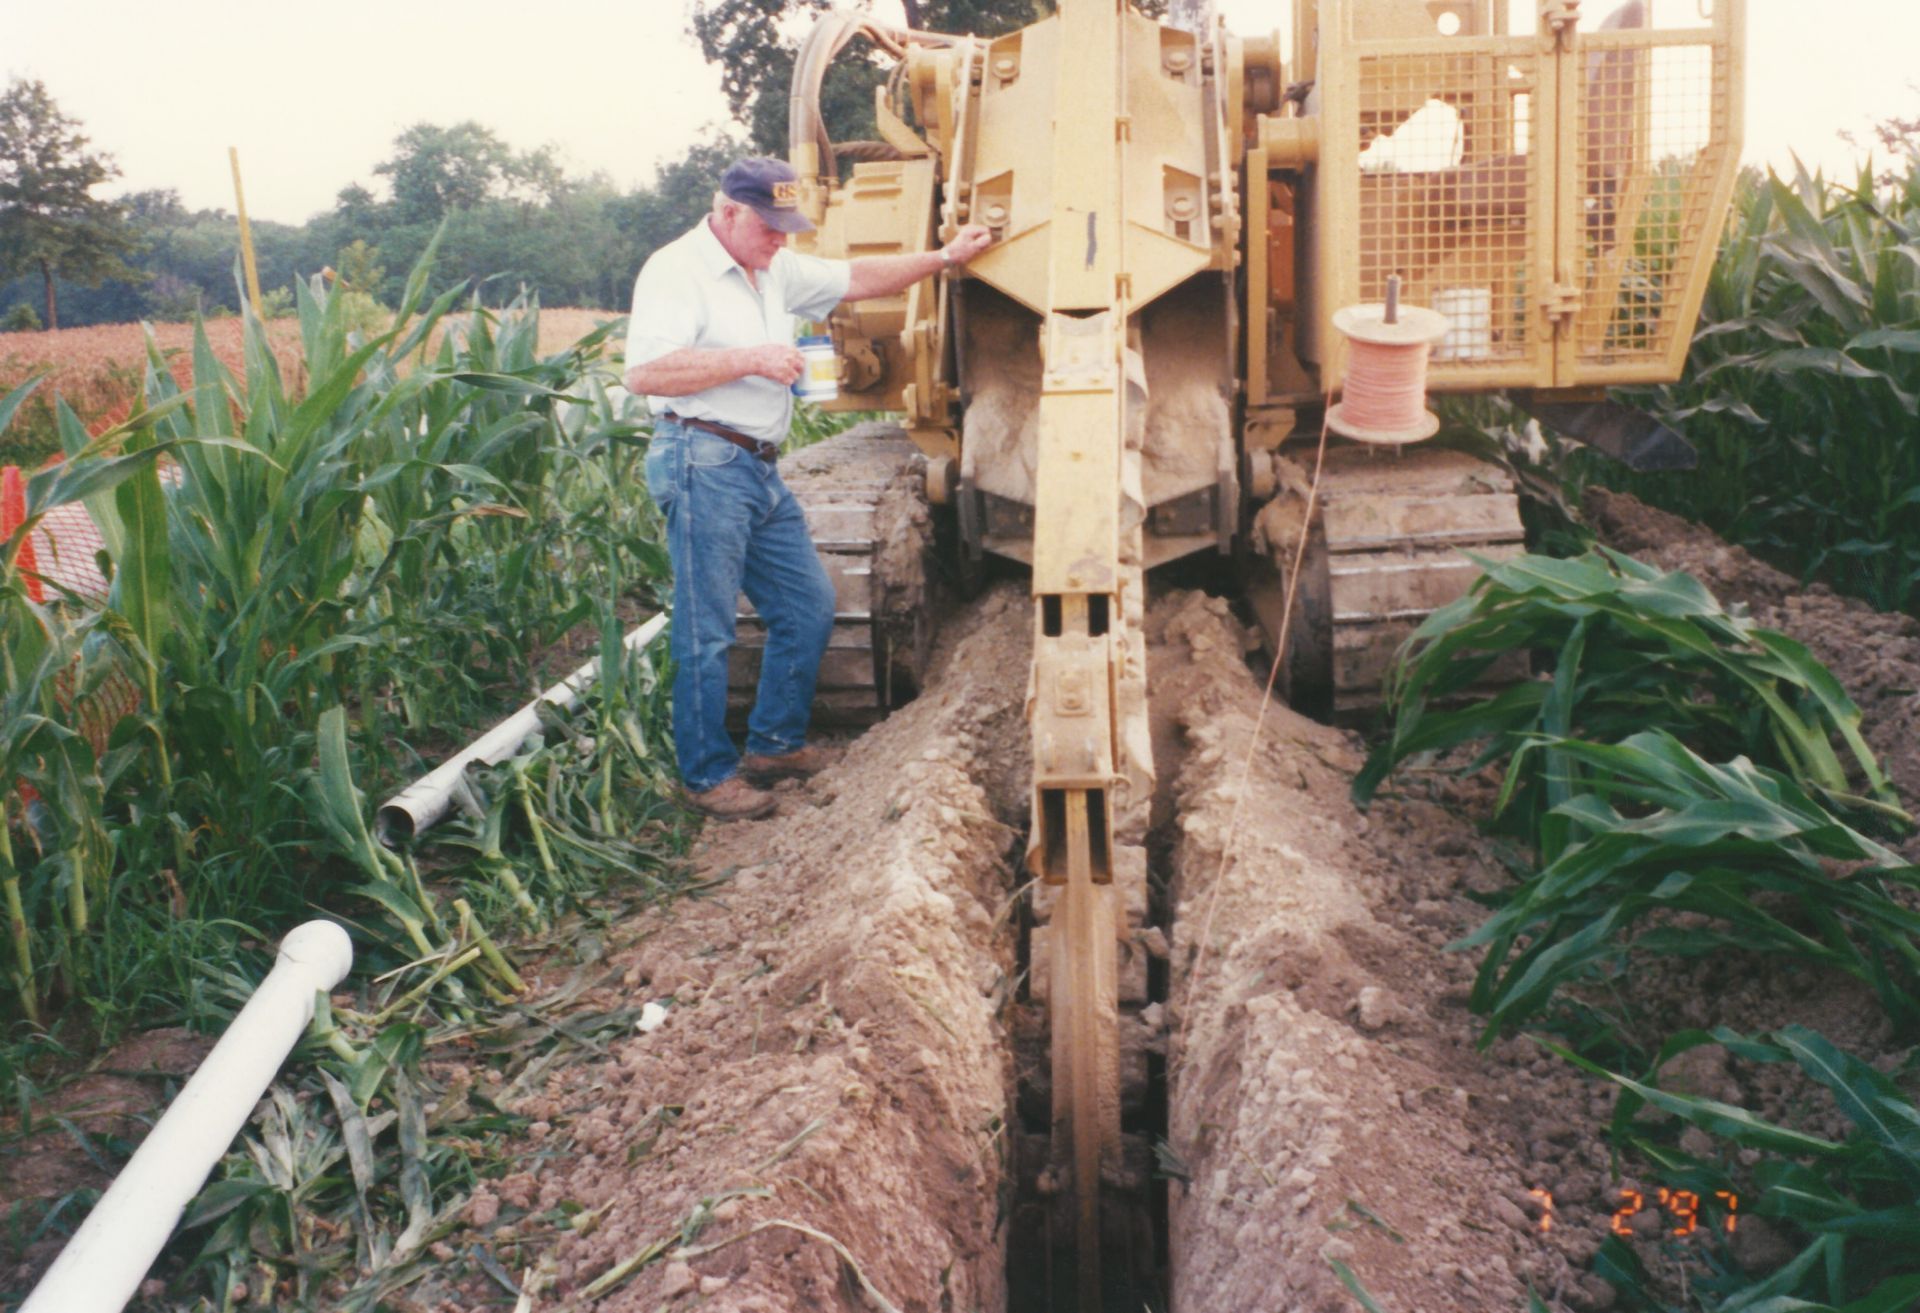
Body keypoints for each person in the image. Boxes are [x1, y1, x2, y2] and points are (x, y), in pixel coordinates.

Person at [624, 156, 992, 820]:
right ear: (729, 212)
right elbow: (645, 372)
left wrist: (944, 256)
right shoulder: (676, 271)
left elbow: (856, 278)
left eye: (788, 230)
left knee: (808, 603)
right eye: (770, 229)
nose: (781, 243)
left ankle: (773, 744)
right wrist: (752, 358)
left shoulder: (775, 266)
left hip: (756, 466)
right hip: (701, 459)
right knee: (706, 629)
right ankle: (707, 777)